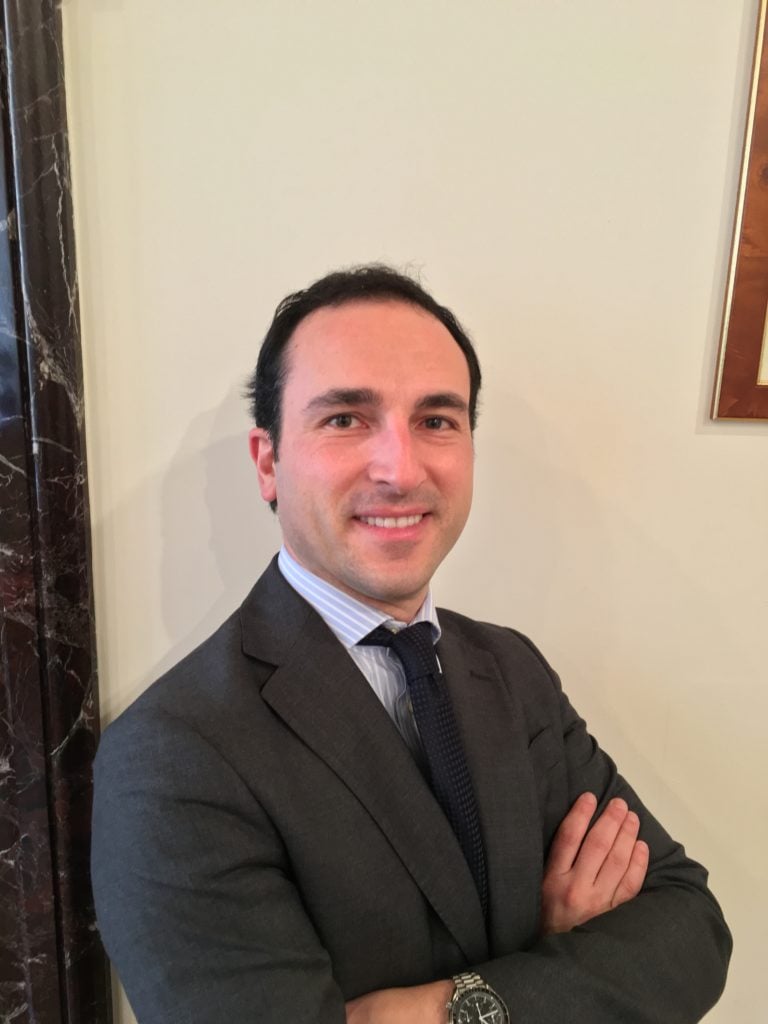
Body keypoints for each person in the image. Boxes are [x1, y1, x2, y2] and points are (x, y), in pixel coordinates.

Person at [91, 265, 731, 1024]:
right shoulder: (172, 756)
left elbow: (691, 928)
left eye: (437, 420)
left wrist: (443, 1008)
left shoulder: (512, 669)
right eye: (345, 419)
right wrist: (561, 956)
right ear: (268, 463)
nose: (401, 468)